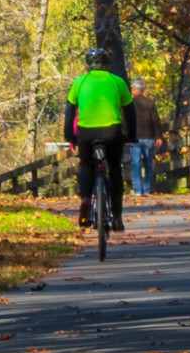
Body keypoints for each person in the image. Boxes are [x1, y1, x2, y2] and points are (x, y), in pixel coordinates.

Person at [65, 48, 136, 231]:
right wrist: (132, 135)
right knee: (114, 170)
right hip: (112, 132)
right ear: (107, 65)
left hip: (86, 132)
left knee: (86, 165)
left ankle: (86, 199)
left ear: (88, 66)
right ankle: (118, 217)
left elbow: (69, 112)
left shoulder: (79, 82)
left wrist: (70, 135)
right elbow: (130, 111)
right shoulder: (117, 81)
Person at [129, 79, 164, 196]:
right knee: (148, 163)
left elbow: (125, 121)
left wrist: (126, 137)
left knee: (136, 164)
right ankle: (148, 188)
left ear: (133, 89)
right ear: (143, 90)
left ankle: (138, 190)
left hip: (134, 138)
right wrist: (158, 136)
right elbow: (156, 121)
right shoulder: (150, 103)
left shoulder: (130, 104)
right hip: (149, 138)